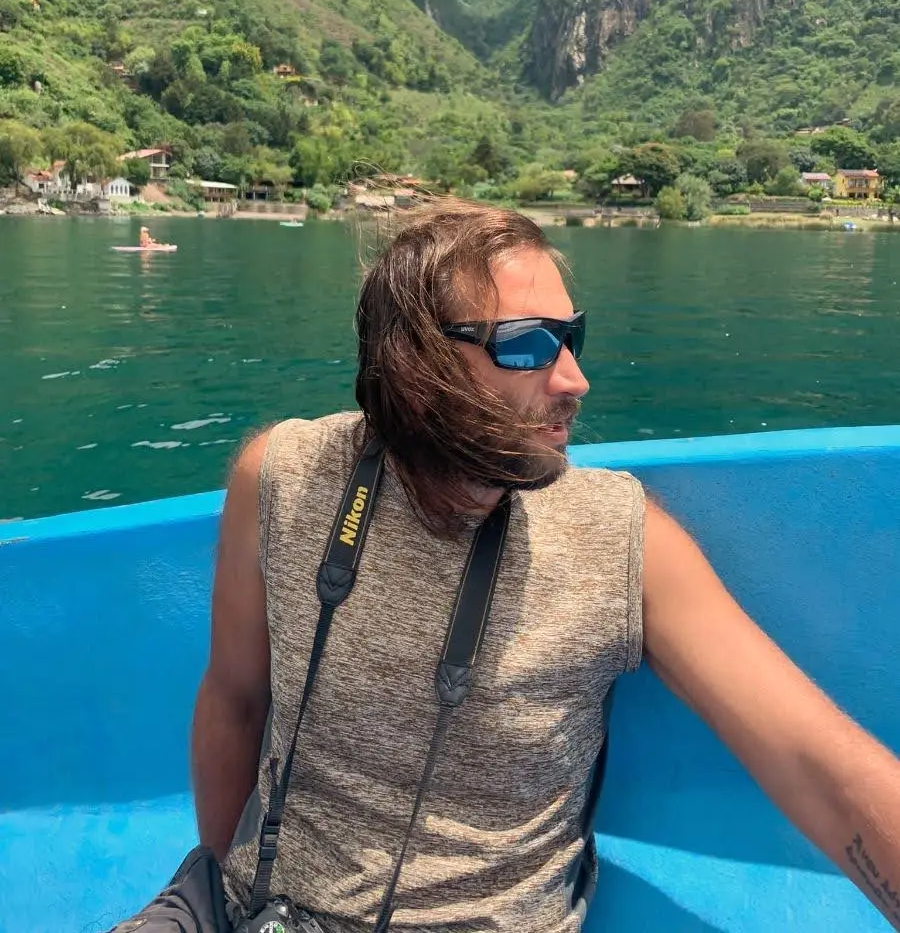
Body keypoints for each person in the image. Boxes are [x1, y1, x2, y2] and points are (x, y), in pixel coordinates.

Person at [192, 199, 900, 933]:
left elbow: (812, 762)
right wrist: (215, 893)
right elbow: (234, 701)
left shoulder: (618, 538)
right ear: (415, 362)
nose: (574, 380)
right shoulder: (281, 476)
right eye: (530, 346)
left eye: (574, 339)